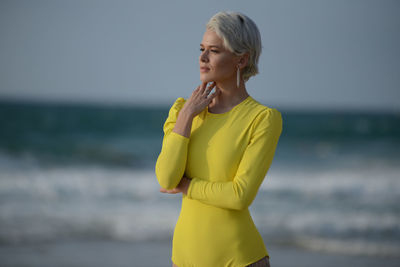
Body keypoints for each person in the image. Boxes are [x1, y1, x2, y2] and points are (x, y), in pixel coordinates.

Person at [155, 11, 282, 267]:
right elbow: (166, 178)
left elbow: (239, 195)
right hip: (184, 259)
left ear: (241, 59)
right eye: (201, 49)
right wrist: (188, 116)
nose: (202, 58)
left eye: (213, 51)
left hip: (240, 260)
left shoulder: (262, 119)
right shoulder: (182, 111)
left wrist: (188, 187)